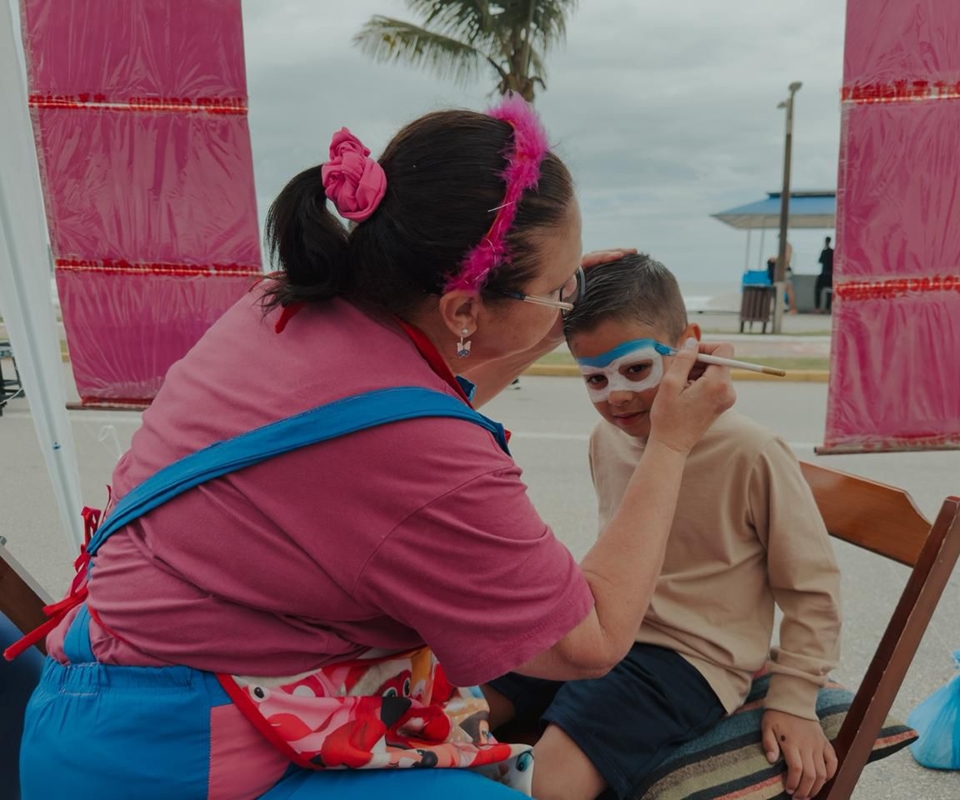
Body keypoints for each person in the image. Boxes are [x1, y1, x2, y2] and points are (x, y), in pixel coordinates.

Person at [11, 98, 737, 799]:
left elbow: (392, 409)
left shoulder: (278, 304)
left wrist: (537, 324)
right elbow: (591, 639)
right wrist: (670, 442)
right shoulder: (431, 454)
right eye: (559, 287)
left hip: (84, 718)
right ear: (462, 309)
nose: (571, 299)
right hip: (180, 764)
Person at [486, 254, 842, 800]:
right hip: (601, 623)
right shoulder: (605, 439)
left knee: (547, 784)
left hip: (690, 658)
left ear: (689, 344)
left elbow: (812, 588)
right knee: (461, 704)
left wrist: (795, 698)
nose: (617, 396)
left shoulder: (753, 451)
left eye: (635, 369)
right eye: (595, 379)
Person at [767, 238, 798, 314]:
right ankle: (790, 308)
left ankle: (793, 309)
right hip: (784, 270)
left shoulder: (787, 246)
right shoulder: (786, 246)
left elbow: (786, 259)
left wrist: (775, 259)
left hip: (785, 270)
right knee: (785, 290)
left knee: (788, 290)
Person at [816, 236, 834, 313]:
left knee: (828, 291)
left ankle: (824, 307)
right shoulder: (827, 251)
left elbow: (820, 260)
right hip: (826, 274)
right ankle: (821, 307)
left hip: (827, 274)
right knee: (825, 291)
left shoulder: (828, 251)